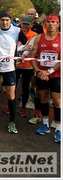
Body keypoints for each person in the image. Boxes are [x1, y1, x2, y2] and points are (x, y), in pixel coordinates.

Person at [30, 15, 61, 143]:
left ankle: (59, 128)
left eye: (53, 22)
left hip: (56, 74)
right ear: (44, 23)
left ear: (58, 24)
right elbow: (32, 56)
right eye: (48, 22)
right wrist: (37, 71)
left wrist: (49, 71)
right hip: (41, 74)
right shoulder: (38, 38)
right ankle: (45, 124)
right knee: (43, 98)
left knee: (57, 101)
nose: (51, 24)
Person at [11, 16, 38, 118]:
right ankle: (11, 106)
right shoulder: (16, 32)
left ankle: (23, 108)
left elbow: (31, 48)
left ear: (32, 25)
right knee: (13, 86)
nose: (25, 26)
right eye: (23, 24)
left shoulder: (34, 35)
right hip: (15, 64)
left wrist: (22, 51)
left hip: (27, 66)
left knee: (25, 87)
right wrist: (21, 50)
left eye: (27, 24)